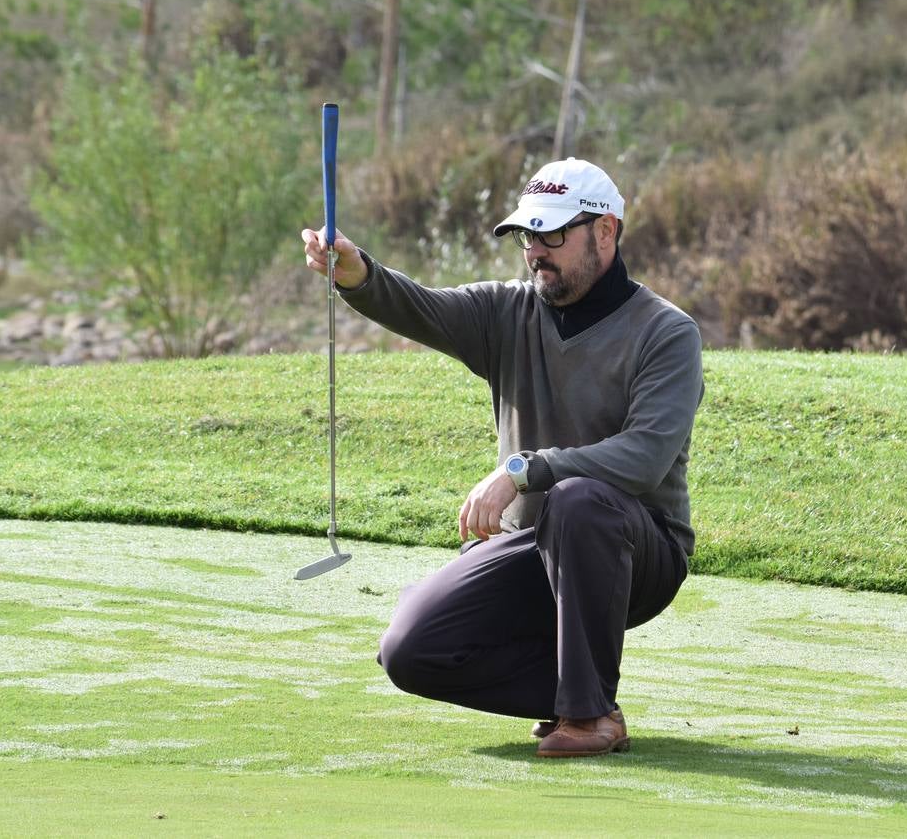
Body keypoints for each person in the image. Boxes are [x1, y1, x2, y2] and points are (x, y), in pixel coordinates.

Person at [300, 157, 704, 758]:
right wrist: (358, 274)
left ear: (605, 232)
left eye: (552, 235)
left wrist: (525, 469)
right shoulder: (506, 312)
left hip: (634, 552)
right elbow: (421, 307)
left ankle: (589, 715)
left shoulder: (667, 333)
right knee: (410, 650)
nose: (536, 251)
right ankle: (576, 690)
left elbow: (642, 459)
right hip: (530, 545)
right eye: (527, 236)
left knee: (579, 499)